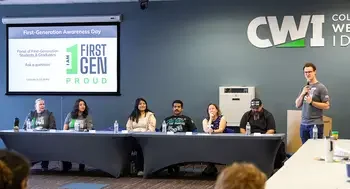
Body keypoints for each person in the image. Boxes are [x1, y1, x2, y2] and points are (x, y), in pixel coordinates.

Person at [295, 62, 330, 144]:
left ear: (315, 72)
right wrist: (302, 93)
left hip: (315, 125)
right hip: (303, 124)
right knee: (305, 150)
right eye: (305, 72)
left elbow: (327, 105)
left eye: (309, 72)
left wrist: (312, 102)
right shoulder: (304, 88)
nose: (307, 74)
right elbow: (297, 105)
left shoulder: (321, 87)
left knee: (316, 150)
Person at [161, 100, 196, 174]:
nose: (176, 108)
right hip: (168, 142)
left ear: (182, 109)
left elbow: (194, 131)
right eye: (175, 107)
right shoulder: (166, 120)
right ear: (172, 108)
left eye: (178, 107)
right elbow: (161, 132)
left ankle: (174, 165)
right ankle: (170, 166)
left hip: (182, 142)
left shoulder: (187, 119)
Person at [23, 98, 56, 171]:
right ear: (36, 106)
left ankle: (44, 165)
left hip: (45, 138)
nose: (42, 106)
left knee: (45, 145)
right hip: (32, 138)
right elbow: (25, 127)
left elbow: (53, 127)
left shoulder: (49, 114)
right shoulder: (31, 114)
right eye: (40, 104)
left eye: (43, 104)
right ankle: (31, 162)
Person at [126, 98, 156, 176]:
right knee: (126, 145)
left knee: (140, 146)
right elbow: (128, 128)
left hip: (146, 138)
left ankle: (140, 169)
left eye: (144, 103)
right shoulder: (133, 115)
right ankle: (127, 169)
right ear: (137, 105)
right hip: (134, 137)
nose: (142, 105)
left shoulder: (150, 115)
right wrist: (134, 133)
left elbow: (151, 129)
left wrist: (142, 134)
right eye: (140, 104)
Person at [62, 99, 93, 172]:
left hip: (82, 139)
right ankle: (66, 166)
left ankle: (81, 165)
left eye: (84, 104)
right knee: (64, 146)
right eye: (81, 105)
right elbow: (65, 128)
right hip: (70, 138)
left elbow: (89, 128)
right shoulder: (70, 115)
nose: (83, 106)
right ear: (77, 106)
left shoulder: (87, 116)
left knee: (81, 147)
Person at [202, 103, 227, 176]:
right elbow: (206, 130)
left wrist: (213, 131)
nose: (211, 110)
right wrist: (210, 119)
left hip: (221, 139)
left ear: (217, 110)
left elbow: (221, 129)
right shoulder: (205, 120)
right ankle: (210, 166)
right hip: (210, 140)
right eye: (209, 109)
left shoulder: (222, 118)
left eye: (213, 108)